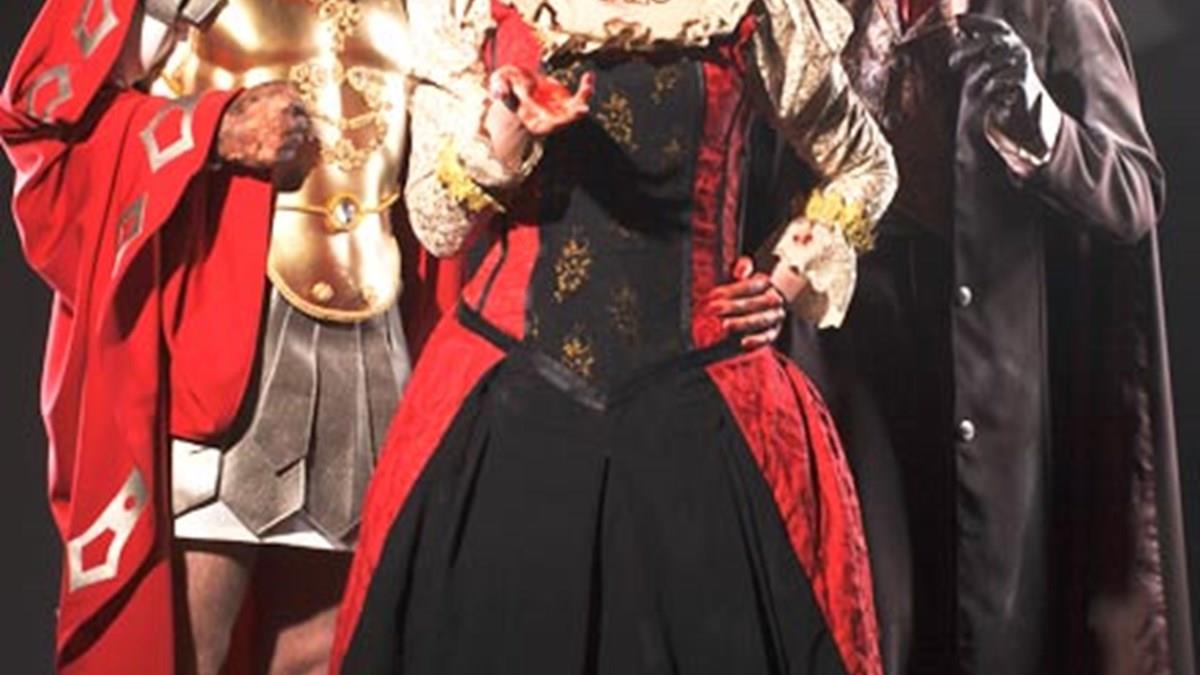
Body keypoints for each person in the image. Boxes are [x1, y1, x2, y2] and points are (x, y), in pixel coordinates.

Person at [331, 0, 898, 672]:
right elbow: (437, 224)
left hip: (702, 418)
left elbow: (865, 164)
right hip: (511, 407)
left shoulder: (753, 12)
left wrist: (788, 274)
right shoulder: (477, 11)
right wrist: (505, 133)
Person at [0, 0, 459, 670]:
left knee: (323, 648)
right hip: (222, 331)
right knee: (185, 644)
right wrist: (211, 128)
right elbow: (46, 121)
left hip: (372, 331)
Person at [759, 0, 1195, 672]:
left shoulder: (1053, 8)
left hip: (987, 357)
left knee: (988, 624)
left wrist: (1042, 122)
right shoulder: (815, 10)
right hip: (849, 353)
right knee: (866, 614)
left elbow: (1133, 192)